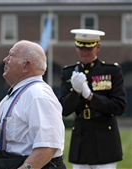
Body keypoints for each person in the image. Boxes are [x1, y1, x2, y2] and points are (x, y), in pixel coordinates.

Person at [0, 40, 66, 169]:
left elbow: (47, 146)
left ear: (27, 66)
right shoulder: (13, 95)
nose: (5, 59)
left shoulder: (38, 95)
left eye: (11, 56)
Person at [59, 29, 127, 169]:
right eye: (81, 47)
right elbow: (63, 109)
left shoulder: (111, 71)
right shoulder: (68, 72)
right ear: (76, 47)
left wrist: (90, 96)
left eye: (89, 47)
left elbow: (119, 106)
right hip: (81, 136)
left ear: (98, 47)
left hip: (105, 136)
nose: (85, 51)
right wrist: (76, 93)